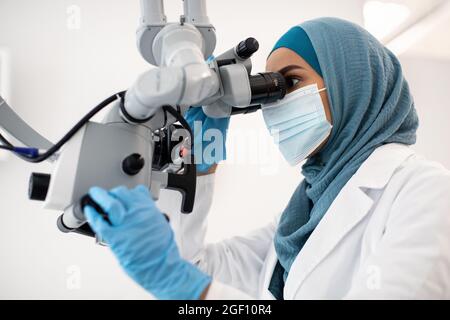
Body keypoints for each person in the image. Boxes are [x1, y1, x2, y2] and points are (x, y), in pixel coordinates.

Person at [84, 18, 450, 300]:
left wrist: (182, 284)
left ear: (351, 85)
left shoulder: (426, 191)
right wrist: (202, 155)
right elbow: (192, 267)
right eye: (272, 92)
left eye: (289, 83)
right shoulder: (302, 215)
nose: (275, 107)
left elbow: (188, 283)